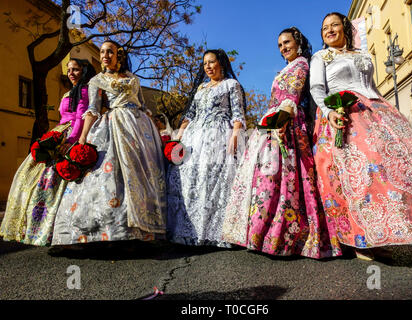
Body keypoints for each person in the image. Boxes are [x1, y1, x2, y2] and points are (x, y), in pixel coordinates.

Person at [310, 12, 412, 260]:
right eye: (324, 28)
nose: (329, 30)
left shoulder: (363, 55)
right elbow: (317, 89)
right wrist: (330, 112)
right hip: (340, 113)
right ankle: (360, 240)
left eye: (334, 25)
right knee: (358, 172)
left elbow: (371, 86)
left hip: (374, 108)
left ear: (345, 28)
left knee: (399, 162)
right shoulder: (321, 57)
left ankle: (398, 226)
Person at [222, 28, 337, 258]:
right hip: (273, 122)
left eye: (287, 42)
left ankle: (287, 237)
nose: (283, 48)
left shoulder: (302, 64)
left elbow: (293, 96)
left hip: (289, 122)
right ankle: (263, 233)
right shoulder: (285, 68)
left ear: (298, 43)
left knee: (287, 180)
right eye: (280, 45)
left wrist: (281, 121)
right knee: (268, 180)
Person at [51, 40, 166, 246]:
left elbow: (142, 105)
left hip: (141, 128)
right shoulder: (97, 80)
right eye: (102, 52)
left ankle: (145, 230)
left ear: (118, 56)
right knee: (113, 176)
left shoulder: (133, 78)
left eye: (109, 52)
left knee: (142, 175)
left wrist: (156, 127)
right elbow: (93, 109)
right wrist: (84, 136)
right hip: (115, 124)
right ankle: (114, 230)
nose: (105, 55)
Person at [0, 58, 95, 246]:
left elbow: (80, 118)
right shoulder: (69, 92)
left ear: (84, 72)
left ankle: (52, 229)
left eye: (75, 70)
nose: (71, 73)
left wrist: (70, 141)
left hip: (71, 134)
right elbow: (62, 118)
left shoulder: (84, 91)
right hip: (59, 132)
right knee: (28, 175)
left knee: (53, 180)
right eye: (69, 70)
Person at [166, 49, 247, 247]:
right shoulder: (201, 88)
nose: (208, 67)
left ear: (221, 63)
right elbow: (190, 114)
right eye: (204, 64)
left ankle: (217, 231)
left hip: (219, 135)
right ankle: (189, 231)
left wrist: (235, 134)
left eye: (211, 62)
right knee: (192, 179)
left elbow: (238, 112)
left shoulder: (231, 84)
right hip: (195, 137)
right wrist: (180, 134)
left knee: (214, 181)